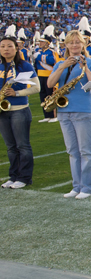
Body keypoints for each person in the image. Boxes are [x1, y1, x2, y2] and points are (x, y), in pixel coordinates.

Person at [47, 30, 91, 199]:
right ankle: (76, 186)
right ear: (66, 45)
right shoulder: (60, 63)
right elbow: (50, 83)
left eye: (77, 42)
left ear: (83, 45)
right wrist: (62, 66)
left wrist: (84, 68)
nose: (74, 45)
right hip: (64, 111)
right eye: (71, 42)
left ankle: (87, 187)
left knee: (85, 150)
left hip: (83, 109)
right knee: (72, 151)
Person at [0, 33, 40, 189]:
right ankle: (13, 176)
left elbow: (37, 87)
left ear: (16, 48)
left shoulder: (24, 65)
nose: (6, 49)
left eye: (10, 46)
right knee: (10, 147)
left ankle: (24, 177)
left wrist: (17, 93)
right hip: (2, 111)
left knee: (22, 145)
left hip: (19, 110)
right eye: (2, 46)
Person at [33, 25, 59, 123]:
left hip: (49, 75)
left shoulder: (51, 52)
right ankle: (46, 115)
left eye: (42, 42)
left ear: (47, 43)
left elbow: (52, 60)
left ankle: (53, 115)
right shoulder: (38, 51)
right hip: (40, 75)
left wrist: (39, 57)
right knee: (43, 95)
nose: (40, 43)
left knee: (50, 95)